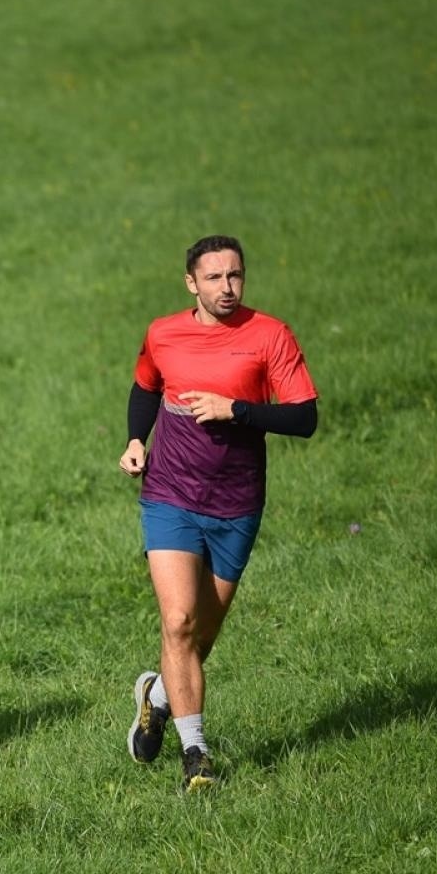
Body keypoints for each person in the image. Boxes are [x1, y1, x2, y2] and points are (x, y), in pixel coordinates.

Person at [119, 235, 318, 792]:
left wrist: (238, 410)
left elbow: (304, 419)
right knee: (179, 621)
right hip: (170, 495)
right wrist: (137, 440)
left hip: (237, 502)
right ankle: (196, 757)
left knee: (201, 637)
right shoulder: (163, 333)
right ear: (191, 283)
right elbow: (144, 388)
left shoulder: (269, 334)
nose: (227, 288)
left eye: (236, 277)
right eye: (214, 278)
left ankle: (156, 697)